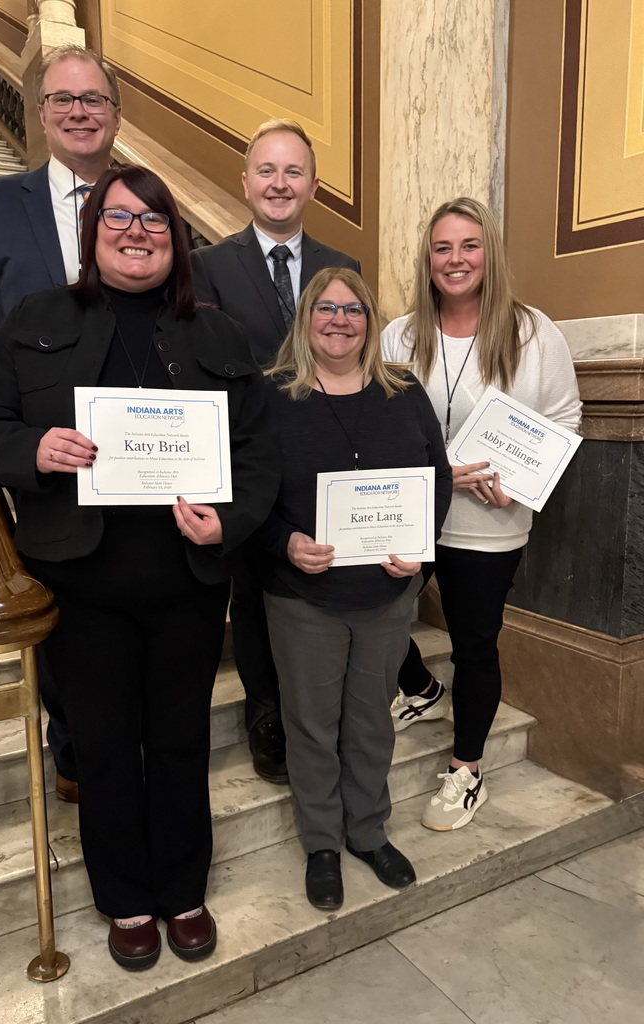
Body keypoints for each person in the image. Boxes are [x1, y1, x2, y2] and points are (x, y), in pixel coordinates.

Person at [0, 165, 280, 970]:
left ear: (178, 239)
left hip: (190, 586)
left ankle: (182, 888)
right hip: (82, 583)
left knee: (179, 739)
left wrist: (230, 522)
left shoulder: (220, 333)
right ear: (92, 233)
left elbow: (262, 453)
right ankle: (126, 899)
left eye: (155, 222)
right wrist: (32, 450)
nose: (137, 234)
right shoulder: (36, 318)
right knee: (102, 747)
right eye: (120, 219)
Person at [0, 44, 122, 797]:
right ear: (42, 113)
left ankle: (121, 730)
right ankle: (74, 741)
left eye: (94, 100)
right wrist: (10, 442)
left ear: (115, 115)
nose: (80, 112)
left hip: (131, 452)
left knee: (125, 593)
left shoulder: (144, 202)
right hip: (43, 461)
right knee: (60, 599)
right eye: (64, 100)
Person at [381, 197, 581, 831]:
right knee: (377, 622)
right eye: (443, 248)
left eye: (469, 246)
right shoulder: (400, 334)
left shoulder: (532, 332)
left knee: (473, 643)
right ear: (428, 259)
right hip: (411, 514)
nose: (456, 259)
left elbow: (564, 419)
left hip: (487, 522)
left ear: (489, 254)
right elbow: (380, 422)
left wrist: (521, 486)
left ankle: (466, 769)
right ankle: (419, 688)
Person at [259, 267, 452, 911]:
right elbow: (249, 494)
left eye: (354, 310)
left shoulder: (404, 390)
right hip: (301, 597)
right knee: (312, 725)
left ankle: (368, 832)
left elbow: (438, 479)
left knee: (371, 721)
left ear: (370, 321)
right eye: (326, 309)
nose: (339, 320)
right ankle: (321, 843)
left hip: (386, 596)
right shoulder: (272, 396)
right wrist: (284, 542)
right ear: (305, 317)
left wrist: (419, 557)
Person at [191, 119, 360, 784]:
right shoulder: (206, 267)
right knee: (256, 595)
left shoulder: (344, 270)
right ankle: (265, 715)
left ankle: (322, 712)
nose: (280, 183)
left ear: (313, 186)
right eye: (267, 170)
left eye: (294, 172)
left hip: (326, 465)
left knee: (322, 588)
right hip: (244, 465)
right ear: (245, 183)